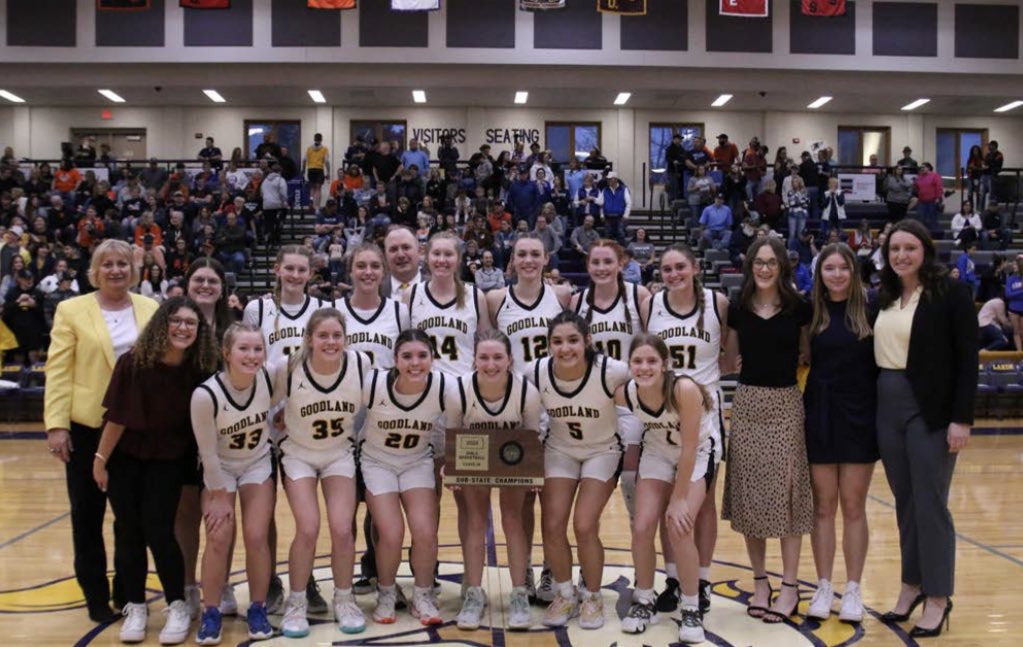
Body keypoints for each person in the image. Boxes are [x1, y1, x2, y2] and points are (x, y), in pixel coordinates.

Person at [44, 239, 160, 624]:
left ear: (133, 270)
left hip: (135, 431)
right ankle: (94, 594)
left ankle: (127, 592)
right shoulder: (71, 310)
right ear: (95, 271)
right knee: (87, 516)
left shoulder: (150, 308)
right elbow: (59, 370)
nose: (115, 270)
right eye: (107, 264)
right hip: (86, 428)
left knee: (132, 519)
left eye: (122, 264)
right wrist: (57, 426)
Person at [873, 219, 977, 638]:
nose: (901, 255)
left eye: (909, 248)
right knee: (905, 502)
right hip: (887, 401)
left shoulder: (949, 292)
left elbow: (968, 357)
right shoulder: (884, 294)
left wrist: (962, 418)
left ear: (925, 251)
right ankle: (911, 584)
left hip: (931, 408)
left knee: (930, 502)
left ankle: (938, 596)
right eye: (895, 248)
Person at [92, 297, 217, 644]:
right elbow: (116, 417)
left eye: (190, 323)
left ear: (198, 330)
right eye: (176, 321)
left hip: (168, 459)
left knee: (160, 530)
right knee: (128, 531)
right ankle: (135, 605)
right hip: (126, 458)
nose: (182, 328)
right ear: (162, 323)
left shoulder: (201, 368)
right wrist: (100, 460)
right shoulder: (132, 363)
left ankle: (176, 603)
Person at [723, 236, 813, 624]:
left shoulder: (799, 308)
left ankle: (789, 585)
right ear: (750, 266)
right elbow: (729, 360)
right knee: (749, 497)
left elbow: (807, 355)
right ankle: (761, 581)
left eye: (770, 262)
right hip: (746, 406)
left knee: (788, 497)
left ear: (781, 266)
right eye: (758, 262)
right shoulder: (738, 307)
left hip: (785, 405)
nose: (763, 268)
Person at [241, 244, 332, 612]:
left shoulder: (323, 312)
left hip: (307, 418)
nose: (295, 276)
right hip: (265, 417)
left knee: (304, 511)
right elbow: (250, 360)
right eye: (289, 269)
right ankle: (272, 580)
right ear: (277, 270)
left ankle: (305, 579)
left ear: (311, 274)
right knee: (266, 509)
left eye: (302, 270)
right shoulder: (257, 309)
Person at [643, 243, 730, 617]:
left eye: (680, 267)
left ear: (695, 268)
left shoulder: (718, 303)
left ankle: (703, 579)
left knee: (701, 504)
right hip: (662, 418)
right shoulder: (651, 305)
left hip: (704, 418)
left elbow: (728, 358)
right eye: (667, 269)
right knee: (667, 503)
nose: (674, 274)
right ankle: (676, 578)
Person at [529, 311, 630, 629]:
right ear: (548, 345)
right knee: (553, 524)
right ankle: (564, 593)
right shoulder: (537, 371)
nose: (565, 348)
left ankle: (593, 597)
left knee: (585, 525)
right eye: (557, 341)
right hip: (560, 450)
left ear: (587, 341)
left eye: (573, 340)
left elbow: (653, 384)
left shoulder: (613, 371)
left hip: (603, 450)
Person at [272, 309, 367, 637]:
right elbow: (261, 402)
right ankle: (296, 602)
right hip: (298, 455)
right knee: (308, 528)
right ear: (309, 339)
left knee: (342, 529)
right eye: (323, 336)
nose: (330, 341)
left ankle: (344, 598)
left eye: (336, 336)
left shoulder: (360, 365)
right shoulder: (288, 368)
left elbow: (379, 401)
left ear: (346, 338)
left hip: (338, 453)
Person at [487, 232, 572, 601]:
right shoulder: (495, 300)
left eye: (535, 254)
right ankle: (523, 577)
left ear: (546, 258)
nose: (528, 260)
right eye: (521, 254)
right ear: (512, 259)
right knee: (518, 502)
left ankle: (553, 571)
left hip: (554, 408)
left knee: (552, 500)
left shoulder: (563, 296)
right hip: (513, 412)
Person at [617, 334, 713, 644]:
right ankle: (644, 599)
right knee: (642, 526)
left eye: (651, 361)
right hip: (657, 452)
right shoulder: (627, 393)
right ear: (629, 364)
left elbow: (688, 448)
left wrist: (679, 498)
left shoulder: (683, 389)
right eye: (637, 361)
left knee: (679, 526)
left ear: (665, 364)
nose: (644, 367)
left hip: (696, 454)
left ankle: (690, 606)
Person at [446, 330, 543, 630]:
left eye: (498, 357)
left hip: (511, 457)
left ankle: (519, 594)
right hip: (474, 457)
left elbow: (530, 436)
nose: (491, 364)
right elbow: (452, 433)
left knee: (512, 520)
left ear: (510, 360)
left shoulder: (526, 391)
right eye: (484, 357)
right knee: (476, 521)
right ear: (473, 359)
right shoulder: (458, 390)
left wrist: (533, 474)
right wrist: (450, 469)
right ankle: (474, 593)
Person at [802, 244, 879, 624]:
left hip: (859, 416)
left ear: (853, 271)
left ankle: (853, 588)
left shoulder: (871, 310)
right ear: (820, 274)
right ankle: (823, 585)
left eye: (842, 268)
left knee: (853, 505)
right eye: (828, 268)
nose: (835, 274)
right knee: (822, 506)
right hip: (818, 414)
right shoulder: (810, 313)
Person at [190, 324, 276, 644]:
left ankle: (257, 606)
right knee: (218, 535)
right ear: (226, 353)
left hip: (257, 463)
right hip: (220, 469)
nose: (252, 356)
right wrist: (219, 496)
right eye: (244, 349)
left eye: (257, 349)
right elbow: (208, 454)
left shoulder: (270, 377)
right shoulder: (205, 395)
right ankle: (210, 611)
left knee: (256, 536)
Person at [360, 329, 448, 625]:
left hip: (417, 462)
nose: (415, 362)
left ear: (432, 359)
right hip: (376, 462)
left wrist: (453, 462)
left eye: (422, 355)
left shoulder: (444, 386)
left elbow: (464, 420)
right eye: (407, 356)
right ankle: (386, 592)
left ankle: (423, 594)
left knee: (425, 530)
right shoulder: (373, 384)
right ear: (395, 359)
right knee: (392, 532)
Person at [597, 172, 631, 243]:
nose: (608, 181)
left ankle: (621, 252)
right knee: (607, 235)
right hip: (607, 217)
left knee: (620, 234)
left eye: (610, 179)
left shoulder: (624, 189)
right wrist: (602, 214)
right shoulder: (604, 190)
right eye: (608, 179)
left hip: (620, 217)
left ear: (615, 179)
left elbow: (628, 203)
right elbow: (601, 204)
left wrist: (626, 215)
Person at [302, 133, 330, 209]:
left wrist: (303, 170)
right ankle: (316, 205)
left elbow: (304, 160)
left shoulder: (309, 148)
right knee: (318, 188)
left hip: (310, 169)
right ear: (321, 139)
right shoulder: (324, 149)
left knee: (312, 187)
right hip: (319, 169)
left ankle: (311, 200)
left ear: (314, 139)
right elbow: (326, 161)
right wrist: (328, 172)